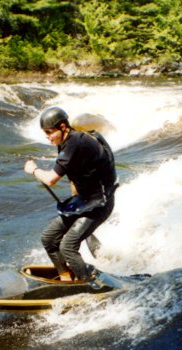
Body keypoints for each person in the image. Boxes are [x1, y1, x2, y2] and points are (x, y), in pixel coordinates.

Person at [24, 107, 117, 282]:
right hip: (85, 202)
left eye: (50, 132)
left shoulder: (76, 143)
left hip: (100, 204)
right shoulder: (66, 142)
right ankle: (66, 278)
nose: (47, 136)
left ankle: (86, 285)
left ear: (63, 127)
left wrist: (34, 169)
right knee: (49, 239)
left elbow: (51, 179)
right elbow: (74, 176)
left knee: (68, 246)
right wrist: (75, 207)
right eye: (45, 133)